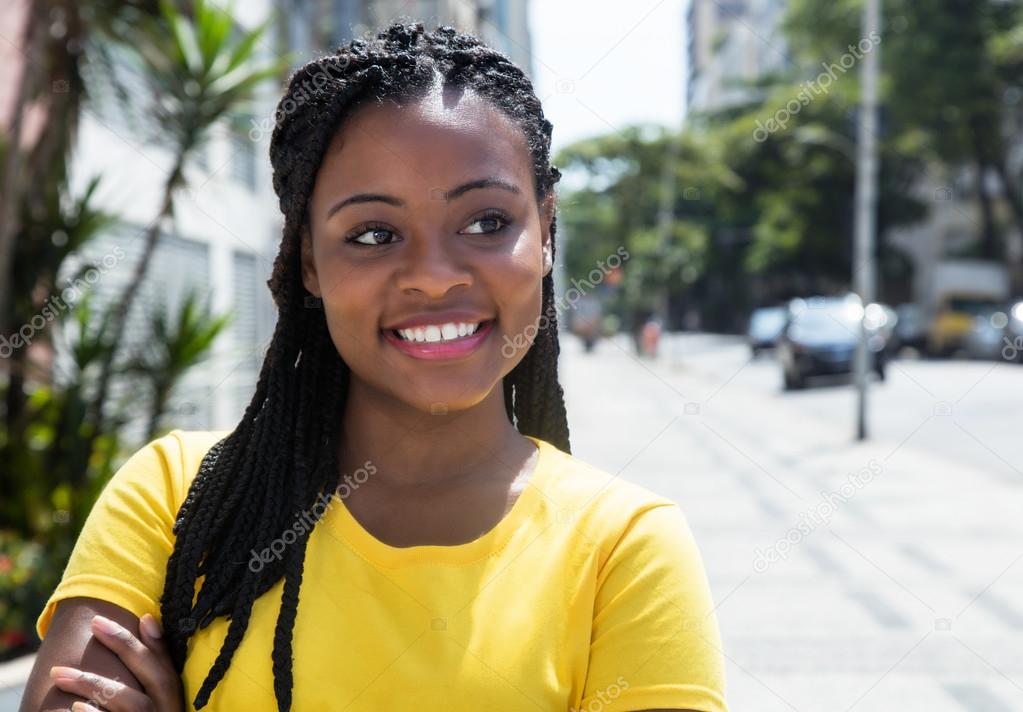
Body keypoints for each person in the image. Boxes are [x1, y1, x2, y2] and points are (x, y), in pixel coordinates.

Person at [21, 21, 728, 712]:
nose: (432, 277)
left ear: (544, 232)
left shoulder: (625, 550)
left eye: (486, 222)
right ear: (309, 263)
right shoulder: (177, 498)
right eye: (373, 234)